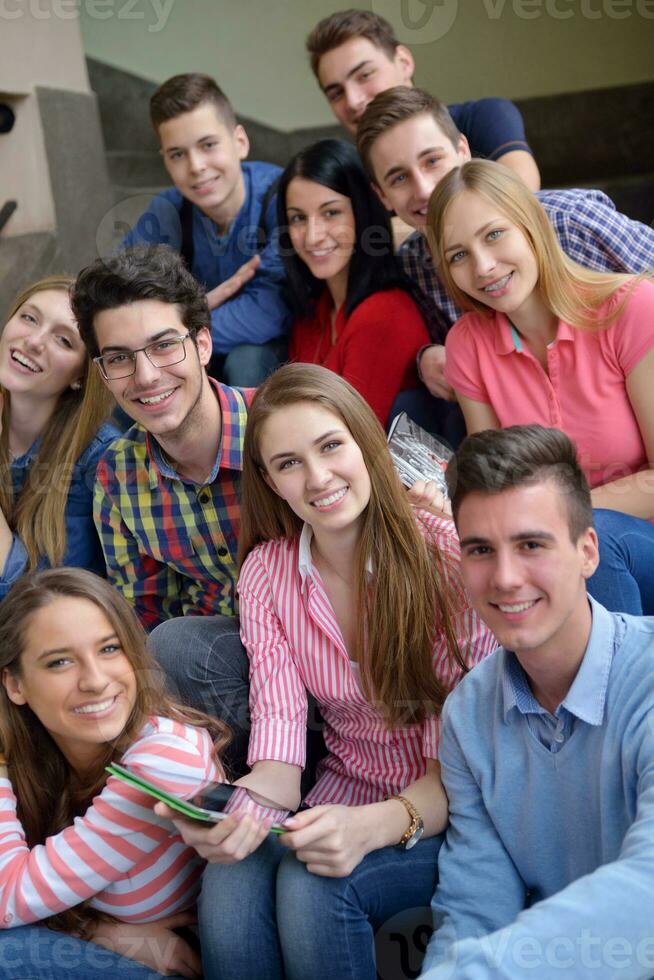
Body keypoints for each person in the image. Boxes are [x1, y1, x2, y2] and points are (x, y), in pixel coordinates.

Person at [156, 363, 496, 980]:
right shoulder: (267, 573)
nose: (317, 478)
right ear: (269, 480)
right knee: (232, 877)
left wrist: (371, 827)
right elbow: (281, 751)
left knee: (311, 886)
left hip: (445, 810)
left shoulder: (447, 557)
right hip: (338, 793)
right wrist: (237, 817)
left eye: (330, 446)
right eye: (288, 463)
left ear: (364, 441)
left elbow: (456, 774)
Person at [421, 425, 654, 979]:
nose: (504, 578)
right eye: (480, 550)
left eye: (531, 544)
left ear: (587, 552)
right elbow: (475, 907)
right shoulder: (467, 714)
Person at [356, 86, 654, 437]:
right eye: (400, 178)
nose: (423, 189)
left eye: (432, 161)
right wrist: (424, 360)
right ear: (382, 196)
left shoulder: (572, 221)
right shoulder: (414, 267)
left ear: (463, 151)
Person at [426, 158, 654, 614]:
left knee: (598, 541)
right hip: (543, 547)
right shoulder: (467, 344)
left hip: (632, 538)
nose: (484, 266)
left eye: (494, 234)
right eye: (459, 255)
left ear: (531, 225)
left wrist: (547, 511)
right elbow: (495, 482)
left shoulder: (631, 307)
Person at [0, 566, 231, 979]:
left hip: (187, 966)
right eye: (60, 662)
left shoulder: (164, 758)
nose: (95, 680)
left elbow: (7, 898)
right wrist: (104, 933)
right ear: (15, 685)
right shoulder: (34, 762)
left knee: (8, 953)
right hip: (115, 954)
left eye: (109, 649)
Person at [121, 73, 291, 386]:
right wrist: (187, 321)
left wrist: (179, 325)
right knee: (127, 372)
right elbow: (122, 293)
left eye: (208, 145)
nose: (196, 166)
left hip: (269, 348)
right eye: (178, 154)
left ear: (240, 142)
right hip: (189, 346)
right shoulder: (168, 211)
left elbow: (269, 310)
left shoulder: (281, 197)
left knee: (247, 361)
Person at [279, 138, 430, 425]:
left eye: (331, 213)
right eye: (298, 218)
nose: (312, 236)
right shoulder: (314, 310)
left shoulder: (384, 312)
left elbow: (350, 435)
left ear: (363, 213)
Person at [305, 8, 540, 192]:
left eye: (365, 75)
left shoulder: (482, 116)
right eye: (336, 93)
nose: (353, 101)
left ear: (404, 62)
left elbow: (520, 194)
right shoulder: (343, 172)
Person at [0, 276, 117, 600]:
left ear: (81, 375)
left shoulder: (96, 458)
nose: (34, 341)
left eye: (63, 340)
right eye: (29, 318)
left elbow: (41, 599)